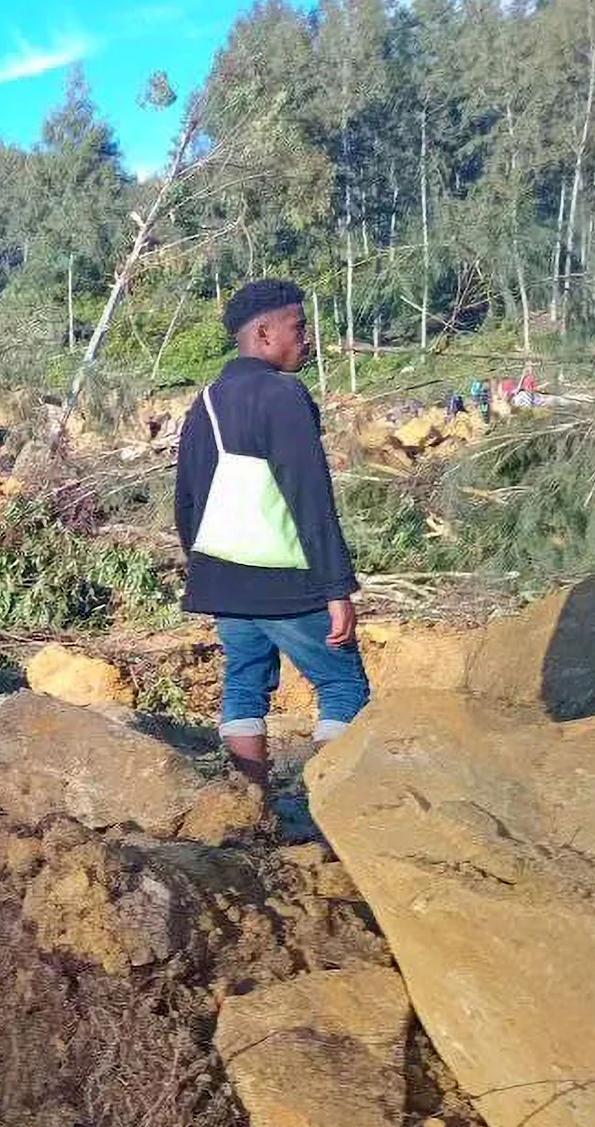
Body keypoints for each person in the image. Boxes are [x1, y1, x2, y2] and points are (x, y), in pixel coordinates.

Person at [174, 278, 370, 789]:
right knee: (342, 684)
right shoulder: (284, 395)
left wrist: (206, 571)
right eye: (298, 327)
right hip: (288, 581)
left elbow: (187, 498)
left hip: (223, 577)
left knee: (244, 684)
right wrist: (337, 588)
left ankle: (250, 808)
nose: (307, 339)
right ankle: (330, 811)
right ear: (264, 333)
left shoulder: (207, 401)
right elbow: (309, 497)